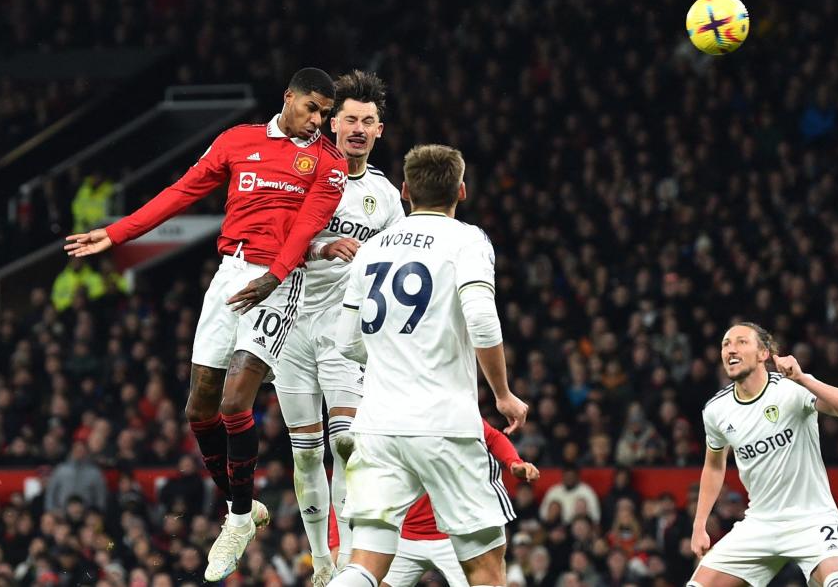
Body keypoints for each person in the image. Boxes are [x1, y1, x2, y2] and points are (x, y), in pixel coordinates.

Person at [64, 67, 348, 582]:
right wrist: (117, 233)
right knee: (199, 408)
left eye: (326, 114)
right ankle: (244, 506)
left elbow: (306, 228)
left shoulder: (328, 164)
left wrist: (275, 278)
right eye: (312, 108)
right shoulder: (237, 142)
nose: (318, 121)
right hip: (229, 274)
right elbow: (181, 191)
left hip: (279, 280)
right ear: (289, 98)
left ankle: (237, 521)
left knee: (237, 400)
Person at [330, 144, 529, 587]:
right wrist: (502, 395)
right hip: (445, 426)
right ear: (461, 190)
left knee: (365, 565)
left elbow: (346, 342)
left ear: (404, 191)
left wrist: (390, 355)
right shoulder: (468, 240)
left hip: (377, 426)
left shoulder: (370, 249)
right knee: (485, 568)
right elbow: (480, 316)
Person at [272, 70, 404, 582]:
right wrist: (321, 247)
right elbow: (273, 237)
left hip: (344, 333)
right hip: (289, 321)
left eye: (367, 121)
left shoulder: (387, 198)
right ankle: (322, 564)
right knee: (306, 456)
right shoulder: (304, 173)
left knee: (347, 445)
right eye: (348, 118)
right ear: (332, 125)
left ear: (378, 132)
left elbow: (395, 266)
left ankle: (351, 561)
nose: (356, 128)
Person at [688, 322, 838, 587]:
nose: (730, 349)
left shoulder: (790, 388)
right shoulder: (716, 410)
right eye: (726, 344)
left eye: (741, 342)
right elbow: (714, 466)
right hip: (760, 523)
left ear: (764, 354)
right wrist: (699, 525)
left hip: (811, 520)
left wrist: (804, 379)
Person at [327, 420, 540, 587]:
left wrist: (515, 462)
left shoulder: (447, 410)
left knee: (488, 581)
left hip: (451, 537)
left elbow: (492, 436)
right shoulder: (387, 421)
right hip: (405, 538)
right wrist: (336, 541)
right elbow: (349, 486)